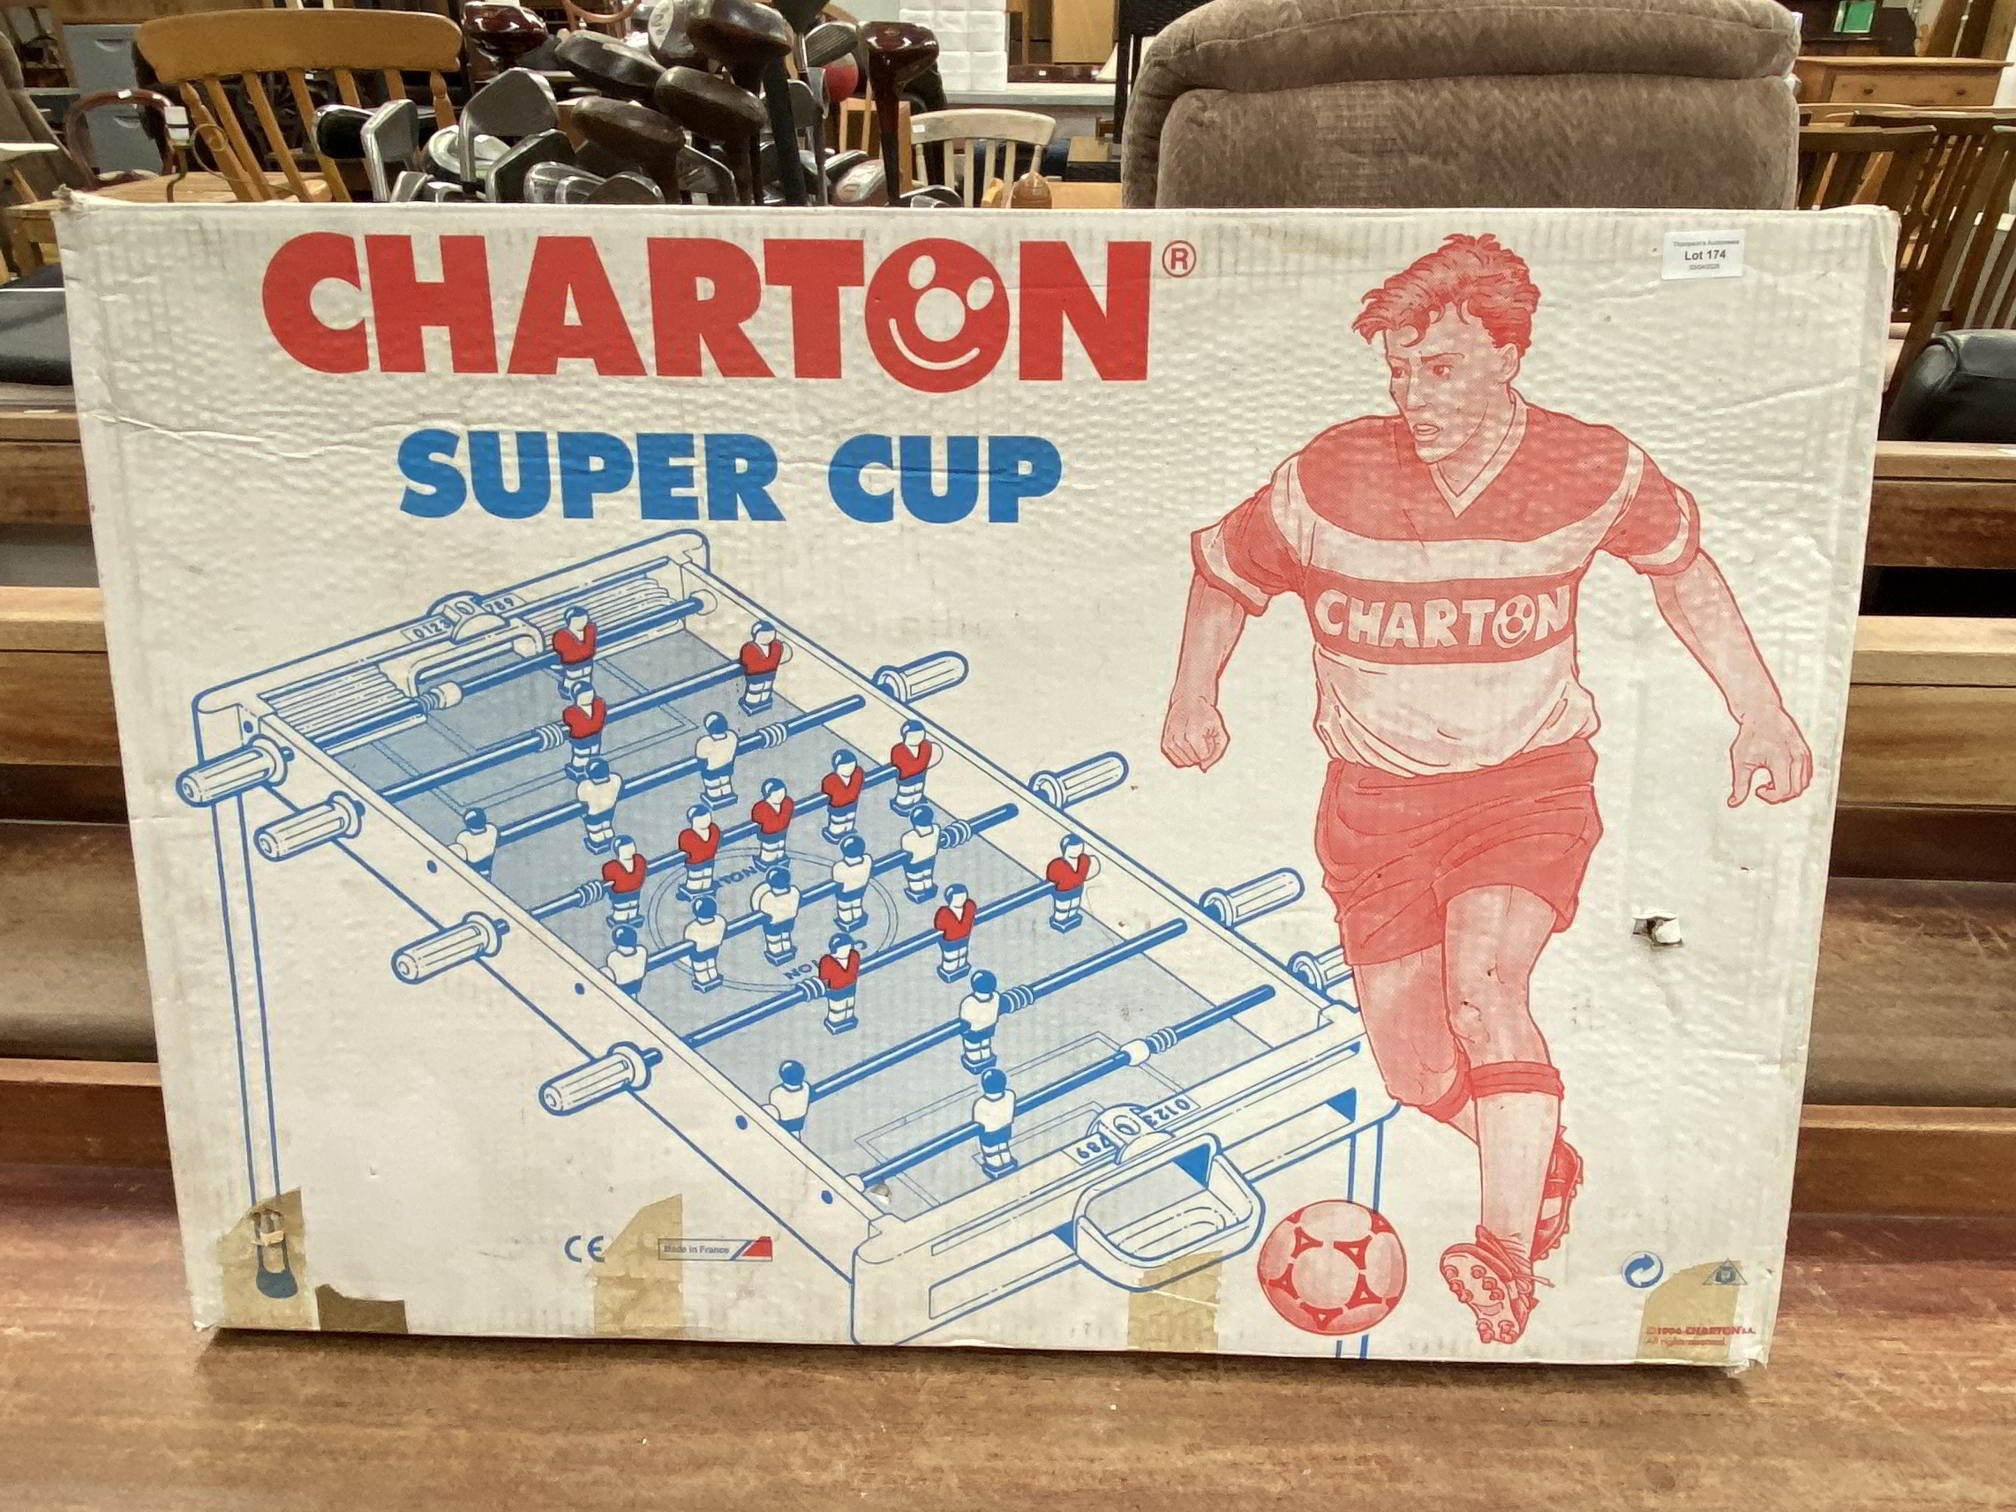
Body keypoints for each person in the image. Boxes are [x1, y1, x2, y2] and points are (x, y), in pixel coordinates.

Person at [1160, 233, 1813, 1346]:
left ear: (1510, 355)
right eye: (1399, 371)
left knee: (1484, 987)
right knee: (1415, 1068)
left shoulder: (1592, 467)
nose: (1413, 395)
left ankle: (1504, 1255)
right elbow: (1226, 573)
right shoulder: (1327, 475)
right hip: (1374, 807)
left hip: (1526, 789)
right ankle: (1542, 1159)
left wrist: (1762, 710)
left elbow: (1684, 573)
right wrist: (1193, 694)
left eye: (1442, 367)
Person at [750, 865, 802, 965]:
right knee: (786, 936)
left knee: (774, 940)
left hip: (773, 924)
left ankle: (776, 953)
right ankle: (787, 949)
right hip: (789, 920)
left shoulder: (768, 897)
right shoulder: (794, 892)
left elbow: (758, 907)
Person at [1045, 834, 1098, 933]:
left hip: (1077, 889)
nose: (1076, 851)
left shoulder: (1084, 860)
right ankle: (1059, 922)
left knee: (1074, 906)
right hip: (1063, 892)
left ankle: (1071, 919)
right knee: (1062, 911)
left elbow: (1083, 876)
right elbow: (1052, 878)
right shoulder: (1057, 864)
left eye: (1079, 848)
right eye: (1073, 849)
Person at [888, 720, 938, 813]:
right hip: (905, 790)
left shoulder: (925, 747)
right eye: (913, 736)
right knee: (906, 799)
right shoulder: (899, 750)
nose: (917, 739)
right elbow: (907, 769)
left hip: (919, 787)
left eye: (920, 735)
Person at [974, 1067, 1016, 1177]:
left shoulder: (981, 1103)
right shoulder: (1010, 1095)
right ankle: (1006, 1160)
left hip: (989, 1134)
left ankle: (995, 1165)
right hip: (1006, 1129)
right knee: (1003, 1146)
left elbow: (978, 1120)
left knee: (991, 1152)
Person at [576, 757, 623, 855]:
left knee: (595, 830)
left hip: (593, 814)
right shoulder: (615, 779)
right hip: (609, 810)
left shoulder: (586, 786)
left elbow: (582, 799)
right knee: (607, 825)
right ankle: (608, 834)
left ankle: (597, 839)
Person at [816, 934, 862, 1034]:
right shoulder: (827, 961)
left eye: (848, 948)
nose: (847, 951)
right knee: (838, 1010)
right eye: (844, 949)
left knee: (849, 1006)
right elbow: (824, 979)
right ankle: (835, 1023)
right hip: (836, 991)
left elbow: (855, 970)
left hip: (851, 987)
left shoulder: (854, 956)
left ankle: (848, 1020)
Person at [601, 835, 647, 934]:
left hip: (635, 900)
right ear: (618, 851)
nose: (629, 850)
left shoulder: (639, 861)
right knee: (621, 915)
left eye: (631, 847)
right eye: (625, 848)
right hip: (620, 903)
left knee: (633, 911)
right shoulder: (611, 867)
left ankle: (632, 918)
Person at [958, 969, 1001, 1072]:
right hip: (989, 1029)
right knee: (985, 1046)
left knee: (973, 1050)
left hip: (973, 1032)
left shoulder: (969, 1001)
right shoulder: (996, 997)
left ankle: (975, 1062)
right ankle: (986, 1059)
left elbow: (965, 1017)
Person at [561, 685, 607, 779]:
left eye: (590, 695)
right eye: (584, 696)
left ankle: (593, 769)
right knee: (581, 756)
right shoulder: (571, 712)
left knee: (594, 752)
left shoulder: (598, 704)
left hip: (595, 735)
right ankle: (578, 770)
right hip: (580, 739)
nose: (587, 698)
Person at [738, 620, 784, 714]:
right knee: (755, 691)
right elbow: (745, 661)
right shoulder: (749, 648)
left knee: (766, 689)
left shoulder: (776, 646)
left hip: (770, 674)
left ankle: (763, 702)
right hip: (755, 676)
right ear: (756, 634)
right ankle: (751, 704)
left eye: (771, 634)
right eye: (764, 634)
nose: (768, 637)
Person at [695, 711, 738, 809]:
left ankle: (715, 796)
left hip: (711, 770)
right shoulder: (732, 736)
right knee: (725, 783)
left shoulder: (706, 742)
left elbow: (701, 758)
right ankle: (727, 794)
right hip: (727, 767)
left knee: (713, 789)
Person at [675, 804, 720, 899]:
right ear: (693, 820)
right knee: (695, 882)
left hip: (709, 861)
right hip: (695, 864)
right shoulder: (687, 835)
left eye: (707, 817)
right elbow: (686, 849)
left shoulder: (714, 829)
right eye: (701, 819)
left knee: (706, 881)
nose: (705, 820)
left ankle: (706, 894)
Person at [933, 883, 976, 981]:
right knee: (951, 959)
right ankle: (948, 972)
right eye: (957, 898)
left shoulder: (968, 907)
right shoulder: (944, 913)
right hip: (949, 942)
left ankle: (962, 969)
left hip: (964, 939)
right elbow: (940, 926)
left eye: (963, 897)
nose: (961, 900)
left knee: (962, 955)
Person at [830, 833, 872, 932]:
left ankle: (847, 920)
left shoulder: (840, 866)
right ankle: (857, 917)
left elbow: (837, 879)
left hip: (845, 893)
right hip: (861, 889)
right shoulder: (867, 860)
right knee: (857, 905)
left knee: (845, 909)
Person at [551, 604, 597, 696]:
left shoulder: (588, 631)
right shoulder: (562, 635)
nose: (582, 622)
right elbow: (575, 655)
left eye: (584, 619)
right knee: (573, 681)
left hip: (586, 671)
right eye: (578, 620)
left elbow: (588, 652)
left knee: (585, 681)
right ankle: (568, 691)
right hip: (572, 672)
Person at [820, 748, 864, 844]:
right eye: (844, 767)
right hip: (838, 808)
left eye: (851, 766)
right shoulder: (830, 780)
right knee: (838, 824)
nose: (849, 769)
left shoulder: (857, 775)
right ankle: (834, 834)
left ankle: (848, 831)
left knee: (850, 820)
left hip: (852, 804)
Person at [898, 804, 940, 903]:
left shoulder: (909, 836)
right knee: (927, 875)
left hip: (914, 862)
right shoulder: (936, 829)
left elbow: (906, 847)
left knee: (916, 879)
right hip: (930, 858)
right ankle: (928, 887)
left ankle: (918, 891)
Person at [750, 778, 794, 868]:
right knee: (769, 853)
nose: (780, 796)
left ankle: (780, 859)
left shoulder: (787, 803)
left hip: (782, 834)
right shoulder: (761, 808)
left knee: (780, 850)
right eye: (776, 793)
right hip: (768, 837)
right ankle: (766, 862)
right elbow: (760, 821)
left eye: (782, 792)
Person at [684, 896, 724, 991]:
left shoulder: (692, 927)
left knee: (701, 969)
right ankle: (713, 977)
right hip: (714, 950)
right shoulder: (720, 921)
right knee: (711, 965)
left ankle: (703, 981)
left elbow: (687, 938)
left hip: (698, 954)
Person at [763, 1059, 809, 1138]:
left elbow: (775, 1112)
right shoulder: (806, 1088)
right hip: (796, 1131)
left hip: (781, 1130)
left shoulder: (776, 1092)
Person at [449, 807, 498, 878]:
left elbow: (460, 852)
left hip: (470, 873)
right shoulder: (492, 829)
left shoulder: (464, 836)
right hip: (486, 872)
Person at [604, 926, 648, 998]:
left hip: (620, 989)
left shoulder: (614, 956)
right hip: (636, 987)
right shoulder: (642, 951)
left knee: (605, 971)